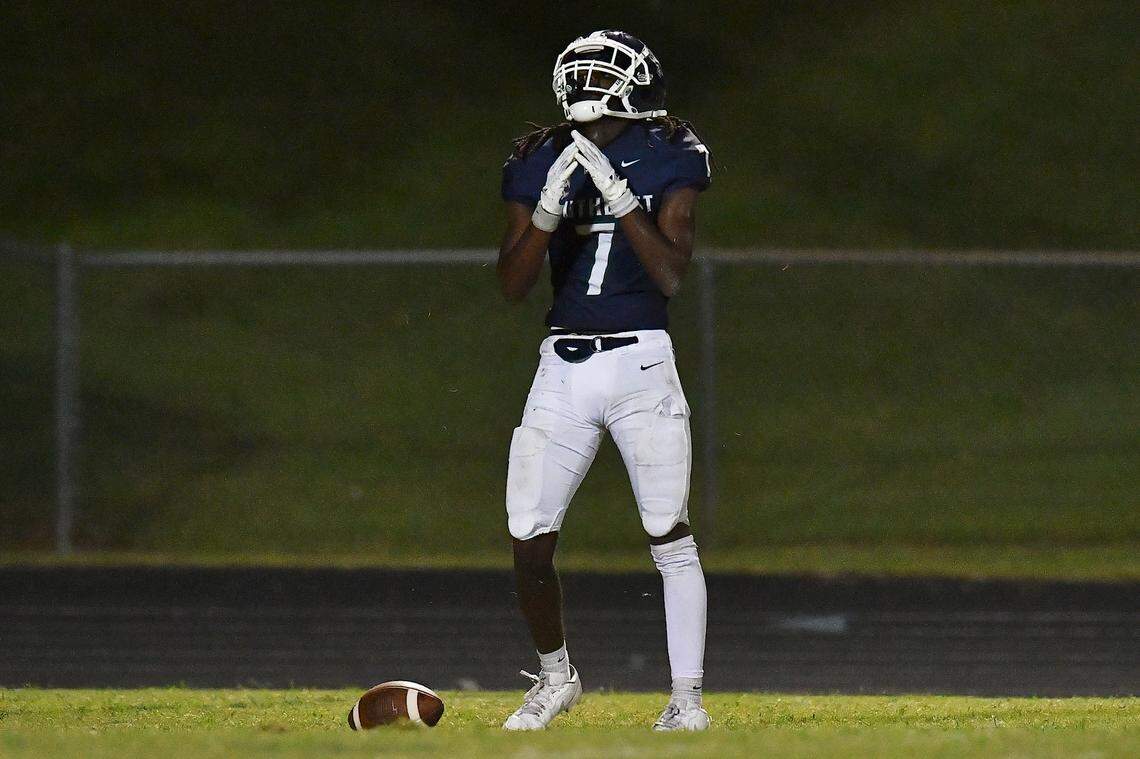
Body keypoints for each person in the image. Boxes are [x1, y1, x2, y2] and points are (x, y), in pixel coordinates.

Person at [496, 29, 713, 732]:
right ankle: (556, 675)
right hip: (563, 362)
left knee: (667, 532)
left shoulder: (671, 151)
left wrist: (621, 200)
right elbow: (513, 281)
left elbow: (671, 273)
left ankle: (686, 698)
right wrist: (551, 211)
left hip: (640, 359)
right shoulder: (538, 158)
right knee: (528, 532)